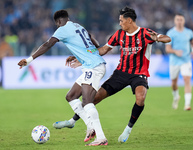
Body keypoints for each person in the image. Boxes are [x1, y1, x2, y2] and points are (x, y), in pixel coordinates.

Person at [53, 7, 171, 143]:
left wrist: (158, 38)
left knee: (140, 98)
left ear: (129, 21)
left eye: (121, 21)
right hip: (121, 73)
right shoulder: (119, 34)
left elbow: (167, 38)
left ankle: (128, 129)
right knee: (94, 98)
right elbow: (103, 50)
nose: (120, 23)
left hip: (139, 74)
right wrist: (81, 58)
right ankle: (72, 121)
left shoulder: (145, 33)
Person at [17, 9, 108, 146]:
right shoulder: (78, 26)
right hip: (93, 64)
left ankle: (101, 137)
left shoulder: (62, 29)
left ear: (58, 22)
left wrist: (29, 60)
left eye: (57, 25)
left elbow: (48, 44)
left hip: (93, 67)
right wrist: (81, 54)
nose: (57, 27)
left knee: (88, 101)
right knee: (71, 96)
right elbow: (92, 40)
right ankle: (90, 126)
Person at [165, 14, 193, 111]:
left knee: (187, 80)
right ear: (175, 21)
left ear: (184, 21)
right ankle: (176, 97)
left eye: (181, 19)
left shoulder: (189, 32)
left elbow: (192, 42)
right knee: (174, 83)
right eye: (177, 19)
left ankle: (187, 104)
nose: (179, 21)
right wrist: (175, 51)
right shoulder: (170, 33)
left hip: (186, 60)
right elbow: (167, 49)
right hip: (174, 61)